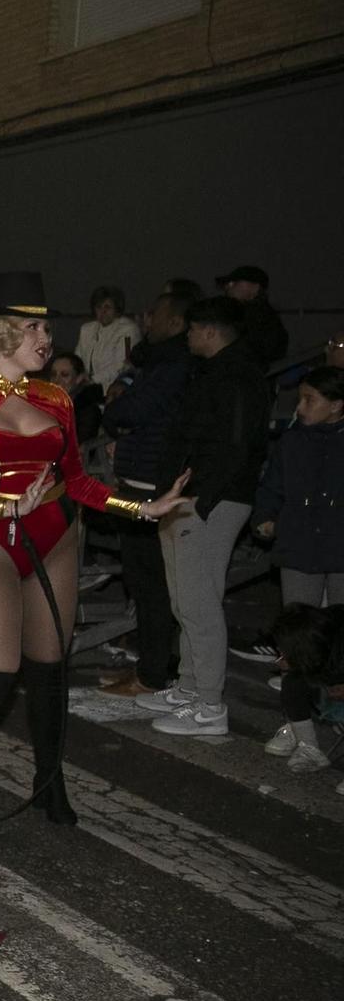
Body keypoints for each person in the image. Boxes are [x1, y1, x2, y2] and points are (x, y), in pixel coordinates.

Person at [0, 272, 190, 833]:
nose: (45, 337)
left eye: (46, 325)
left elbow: (77, 481)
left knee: (50, 671)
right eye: (31, 326)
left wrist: (137, 510)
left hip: (58, 536)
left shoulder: (55, 398)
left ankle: (50, 782)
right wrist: (4, 507)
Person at [136, 297, 270, 738]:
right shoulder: (213, 372)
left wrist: (203, 498)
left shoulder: (238, 376)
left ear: (210, 332)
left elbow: (234, 444)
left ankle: (210, 704)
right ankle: (191, 688)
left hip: (209, 500)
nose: (187, 336)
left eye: (192, 329)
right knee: (184, 601)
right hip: (188, 496)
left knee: (199, 603)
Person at [99, 290, 197, 695]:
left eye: (153, 313)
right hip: (140, 480)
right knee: (145, 584)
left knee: (154, 586)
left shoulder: (173, 366)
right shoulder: (155, 363)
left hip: (153, 484)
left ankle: (154, 673)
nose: (146, 319)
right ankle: (153, 668)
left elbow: (127, 410)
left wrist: (121, 404)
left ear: (175, 322)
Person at [252, 366, 343, 608]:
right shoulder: (292, 442)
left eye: (309, 400)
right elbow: (272, 486)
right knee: (298, 624)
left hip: (338, 543)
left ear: (336, 405)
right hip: (298, 545)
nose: (300, 408)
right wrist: (264, 518)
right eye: (300, 399)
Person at [263, 604, 343, 777]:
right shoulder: (315, 635)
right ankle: (309, 748)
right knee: (293, 681)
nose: (280, 654)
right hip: (326, 663)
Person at [216, 265, 288, 367]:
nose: (228, 286)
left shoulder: (259, 315)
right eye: (228, 283)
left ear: (255, 287)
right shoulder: (246, 313)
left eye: (234, 282)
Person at [75, 287, 140, 390]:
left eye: (107, 307)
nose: (103, 311)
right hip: (86, 386)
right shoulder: (86, 329)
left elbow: (120, 366)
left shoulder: (128, 329)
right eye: (99, 307)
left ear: (116, 308)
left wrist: (92, 380)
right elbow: (77, 359)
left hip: (112, 388)